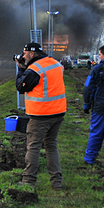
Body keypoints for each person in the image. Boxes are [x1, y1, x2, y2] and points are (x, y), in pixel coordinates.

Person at [15, 42, 67, 190]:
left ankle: (28, 182)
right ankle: (56, 182)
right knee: (51, 146)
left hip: (41, 114)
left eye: (24, 53)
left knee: (33, 147)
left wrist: (20, 70)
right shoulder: (55, 63)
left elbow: (21, 86)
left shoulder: (35, 69)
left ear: (32, 54)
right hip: (59, 112)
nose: (23, 56)